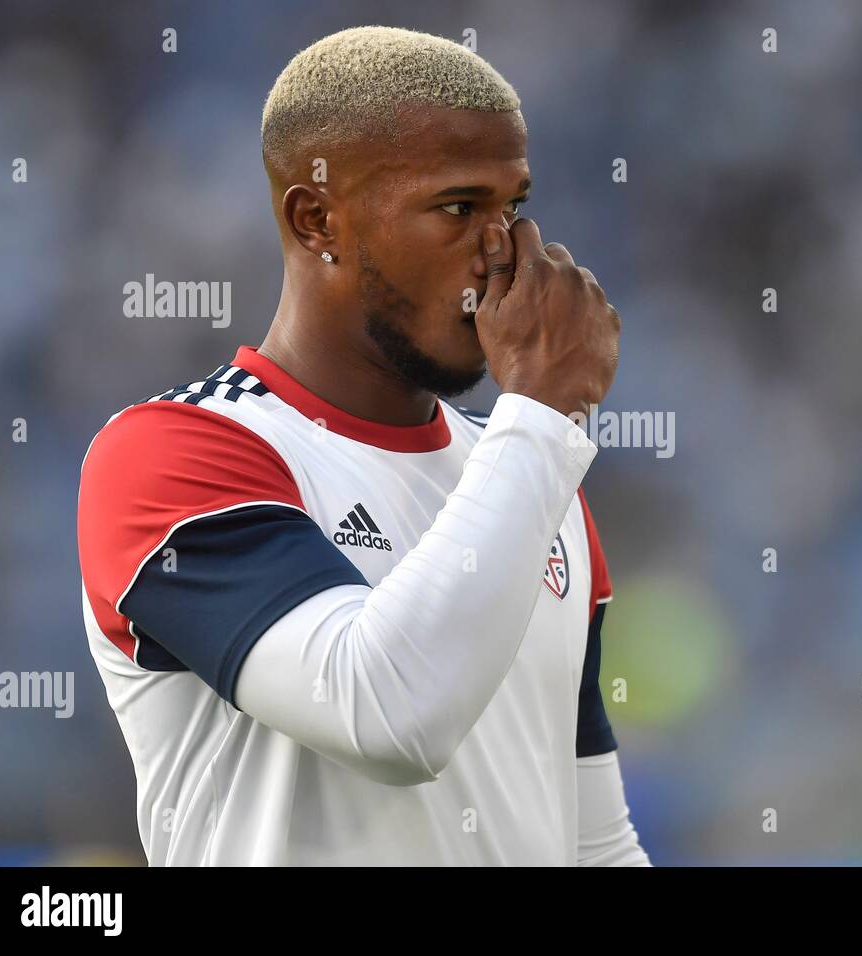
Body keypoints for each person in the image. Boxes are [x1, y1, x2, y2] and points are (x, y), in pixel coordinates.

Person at [76, 26, 646, 866]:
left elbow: (594, 844)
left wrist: (538, 431)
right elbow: (388, 718)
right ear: (317, 221)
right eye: (459, 208)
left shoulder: (537, 476)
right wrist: (545, 414)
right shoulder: (175, 454)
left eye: (513, 208)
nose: (504, 254)